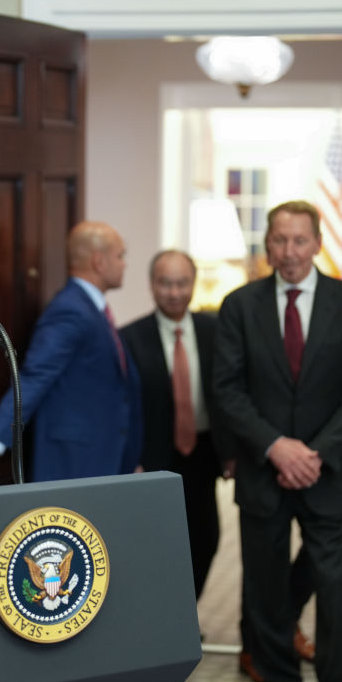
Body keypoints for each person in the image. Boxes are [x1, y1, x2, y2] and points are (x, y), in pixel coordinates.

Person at [214, 200, 342, 682]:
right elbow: (227, 389)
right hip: (264, 474)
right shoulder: (239, 306)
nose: (289, 252)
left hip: (329, 475)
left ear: (317, 243)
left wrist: (316, 453)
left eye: (300, 240)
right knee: (265, 593)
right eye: (280, 241)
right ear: (267, 245)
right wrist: (275, 447)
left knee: (333, 590)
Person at [0, 220, 142, 481]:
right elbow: (35, 377)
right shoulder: (70, 310)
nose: (125, 264)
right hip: (76, 462)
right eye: (120, 256)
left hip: (102, 456)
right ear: (99, 261)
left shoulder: (90, 307)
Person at [119, 250, 229, 599]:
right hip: (154, 456)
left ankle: (184, 612)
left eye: (182, 283)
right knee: (155, 542)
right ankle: (160, 617)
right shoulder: (130, 337)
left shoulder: (216, 331)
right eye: (166, 283)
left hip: (203, 452)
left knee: (205, 538)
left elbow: (228, 394)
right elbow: (124, 406)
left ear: (194, 283)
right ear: (152, 285)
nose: (175, 292)